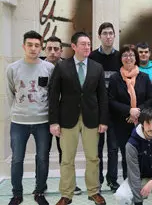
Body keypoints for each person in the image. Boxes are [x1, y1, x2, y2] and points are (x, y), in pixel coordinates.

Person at [49, 32, 108, 205]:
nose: (87, 47)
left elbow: (103, 97)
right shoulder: (62, 67)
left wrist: (103, 120)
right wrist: (53, 121)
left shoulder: (97, 67)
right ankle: (66, 194)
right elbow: (53, 96)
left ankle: (94, 191)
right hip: (67, 119)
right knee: (67, 158)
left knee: (93, 157)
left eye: (89, 44)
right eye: (83, 44)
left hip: (92, 119)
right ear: (73, 46)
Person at [6, 31, 54, 205]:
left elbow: (52, 95)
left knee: (42, 158)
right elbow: (10, 94)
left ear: (41, 47)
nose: (33, 48)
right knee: (17, 159)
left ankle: (39, 192)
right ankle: (17, 194)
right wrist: (19, 111)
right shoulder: (12, 68)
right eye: (30, 45)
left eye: (36, 45)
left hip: (43, 121)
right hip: (19, 122)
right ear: (23, 46)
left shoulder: (49, 68)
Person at [43, 36, 82, 195]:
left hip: (64, 118)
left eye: (56, 49)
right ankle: (41, 184)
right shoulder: (39, 66)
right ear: (45, 49)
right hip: (42, 118)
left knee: (66, 152)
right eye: (49, 48)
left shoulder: (68, 67)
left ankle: (70, 183)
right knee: (43, 153)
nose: (53, 52)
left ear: (61, 50)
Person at [108, 44, 152, 180]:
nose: (128, 58)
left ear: (136, 58)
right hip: (121, 123)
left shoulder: (144, 77)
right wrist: (129, 111)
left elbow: (150, 99)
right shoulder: (115, 78)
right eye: (125, 55)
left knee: (142, 153)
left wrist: (137, 112)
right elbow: (111, 100)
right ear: (121, 58)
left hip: (141, 122)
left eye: (132, 55)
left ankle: (141, 181)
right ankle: (128, 182)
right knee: (126, 153)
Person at [89, 22, 121, 191]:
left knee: (114, 148)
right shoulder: (92, 57)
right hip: (97, 111)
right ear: (99, 36)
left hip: (115, 111)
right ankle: (98, 180)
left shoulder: (121, 57)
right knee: (97, 149)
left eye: (111, 33)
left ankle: (112, 179)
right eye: (105, 33)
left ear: (114, 36)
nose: (108, 36)